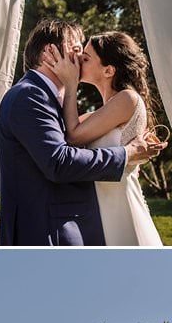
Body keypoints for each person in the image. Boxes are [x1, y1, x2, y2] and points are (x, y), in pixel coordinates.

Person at [0, 18, 164, 245]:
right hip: (46, 234)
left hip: (84, 221)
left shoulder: (50, 99)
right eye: (76, 49)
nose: (79, 57)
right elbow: (59, 162)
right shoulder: (30, 95)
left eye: (84, 54)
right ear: (50, 52)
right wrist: (126, 154)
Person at [45, 31, 163, 246]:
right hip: (101, 206)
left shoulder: (126, 98)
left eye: (87, 58)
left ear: (108, 70)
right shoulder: (103, 112)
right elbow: (61, 131)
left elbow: (73, 136)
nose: (79, 59)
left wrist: (71, 84)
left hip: (118, 207)